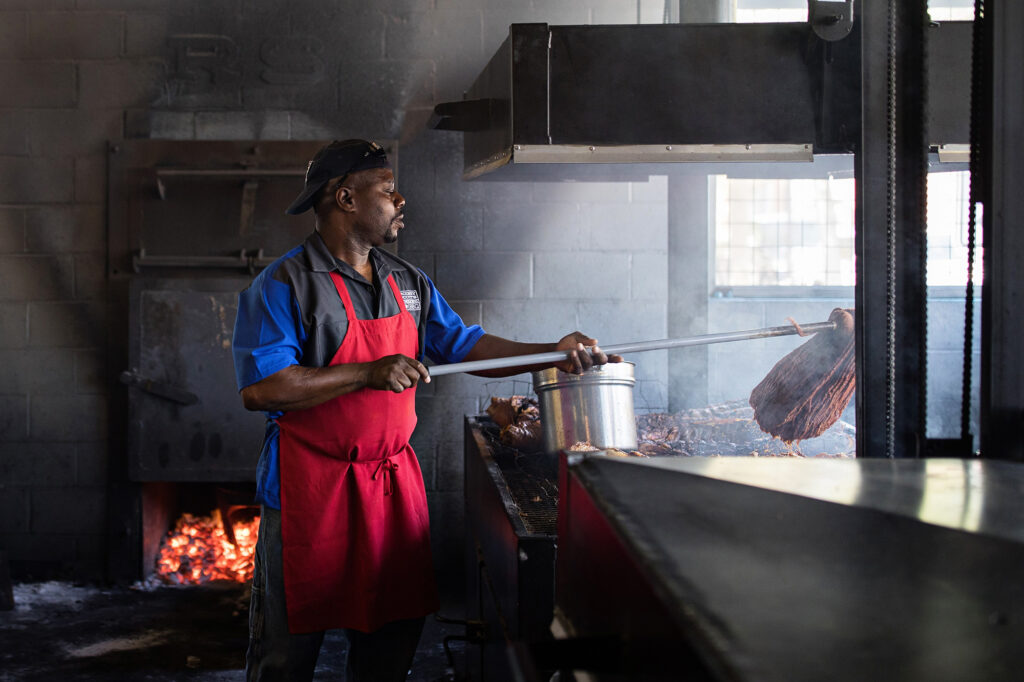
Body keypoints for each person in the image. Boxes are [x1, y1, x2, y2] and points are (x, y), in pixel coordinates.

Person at [232, 139, 619, 681]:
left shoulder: (406, 282)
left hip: (390, 488)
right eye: (388, 190)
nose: (401, 200)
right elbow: (264, 389)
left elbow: (466, 346)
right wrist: (366, 371)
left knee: (391, 640)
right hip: (307, 492)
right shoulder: (283, 285)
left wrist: (554, 354)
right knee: (286, 654)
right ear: (345, 198)